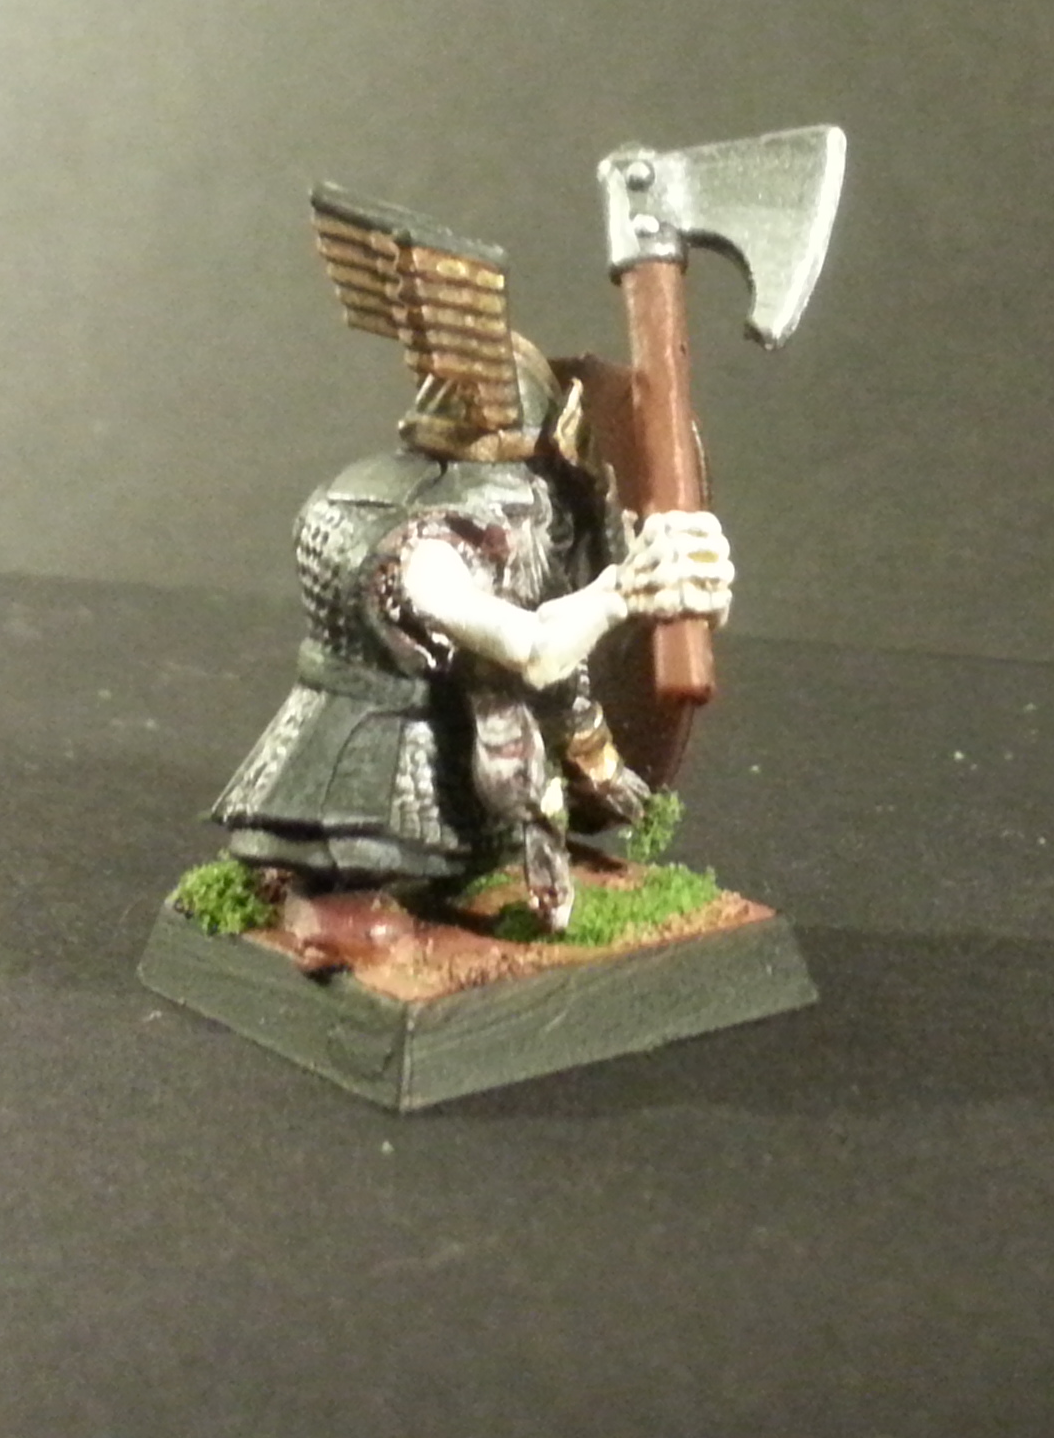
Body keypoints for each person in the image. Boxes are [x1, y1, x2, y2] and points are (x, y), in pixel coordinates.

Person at [210, 194, 731, 971]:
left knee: (472, 833)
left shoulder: (509, 510)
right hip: (379, 745)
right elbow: (532, 649)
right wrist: (628, 588)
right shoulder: (433, 544)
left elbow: (568, 608)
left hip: (467, 737)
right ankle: (323, 906)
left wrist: (680, 579)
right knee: (351, 861)